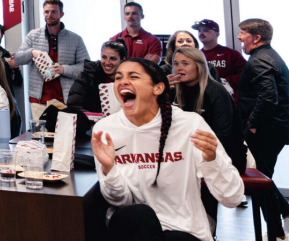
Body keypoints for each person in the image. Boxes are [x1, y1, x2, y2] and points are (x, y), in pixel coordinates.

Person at [90, 59, 243, 241]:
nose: (123, 82)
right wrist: (109, 169)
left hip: (183, 229)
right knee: (137, 215)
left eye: (133, 76)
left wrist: (212, 161)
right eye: (118, 77)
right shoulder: (105, 130)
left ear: (158, 88)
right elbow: (120, 201)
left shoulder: (190, 124)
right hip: (133, 229)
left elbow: (232, 198)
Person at [236, 18, 289, 237]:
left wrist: (252, 124)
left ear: (256, 38)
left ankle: (277, 231)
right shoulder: (269, 55)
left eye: (243, 33)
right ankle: (281, 221)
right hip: (274, 129)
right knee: (263, 179)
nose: (239, 37)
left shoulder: (260, 59)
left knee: (260, 181)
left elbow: (268, 96)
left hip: (266, 131)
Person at [13, 0, 90, 119]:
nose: (49, 15)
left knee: (66, 131)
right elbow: (18, 58)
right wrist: (31, 52)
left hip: (66, 100)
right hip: (39, 100)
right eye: (46, 12)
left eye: (53, 12)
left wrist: (63, 69)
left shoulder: (75, 39)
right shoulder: (33, 35)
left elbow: (85, 67)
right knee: (40, 131)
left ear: (61, 14)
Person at [171, 47, 245, 173]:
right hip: (188, 154)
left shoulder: (216, 92)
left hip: (223, 155)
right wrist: (160, 93)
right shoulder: (174, 91)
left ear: (199, 66)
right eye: (176, 64)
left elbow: (223, 135)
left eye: (185, 64)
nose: (179, 68)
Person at [67, 41, 128, 114]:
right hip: (89, 120)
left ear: (123, 60)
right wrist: (97, 117)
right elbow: (73, 105)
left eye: (113, 59)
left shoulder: (129, 80)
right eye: (104, 57)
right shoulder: (86, 76)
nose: (107, 62)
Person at [194, 19, 246, 95]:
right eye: (199, 30)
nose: (201, 33)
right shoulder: (196, 56)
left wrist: (227, 81)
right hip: (204, 97)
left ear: (216, 34)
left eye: (206, 30)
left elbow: (246, 73)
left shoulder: (231, 54)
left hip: (228, 97)